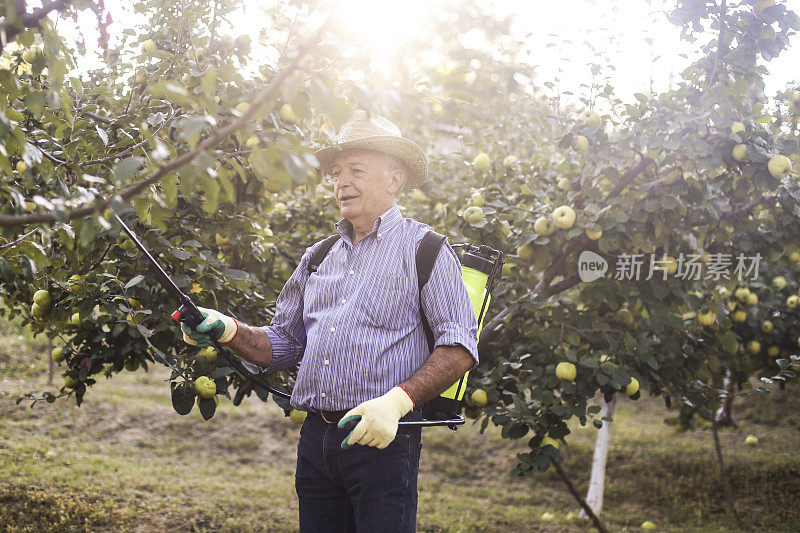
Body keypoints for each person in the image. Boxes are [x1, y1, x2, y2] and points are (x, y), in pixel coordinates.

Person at [180, 111, 479, 532]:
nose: (341, 182)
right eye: (337, 172)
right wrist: (228, 329)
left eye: (356, 171)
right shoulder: (319, 256)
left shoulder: (425, 250)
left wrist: (396, 403)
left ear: (394, 180)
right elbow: (284, 341)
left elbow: (460, 346)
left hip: (383, 442)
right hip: (317, 442)